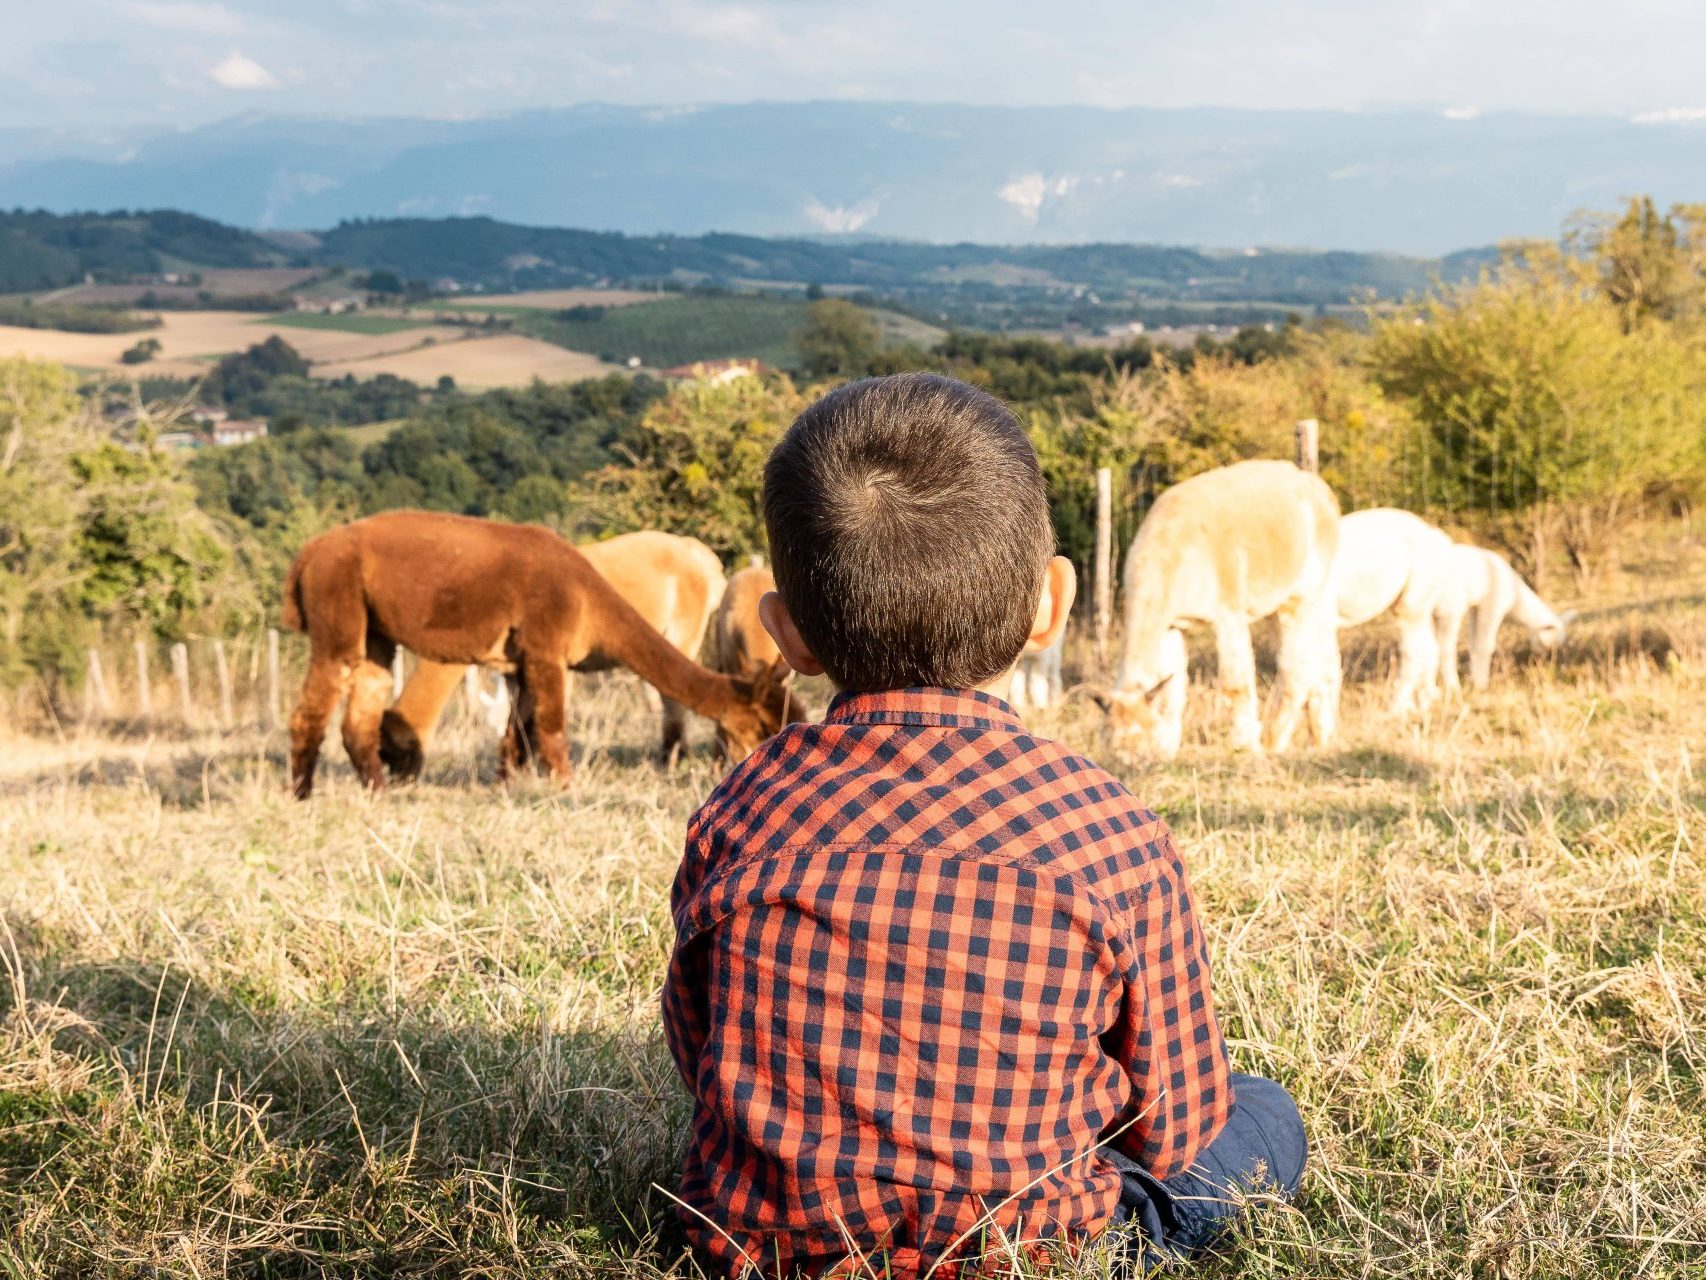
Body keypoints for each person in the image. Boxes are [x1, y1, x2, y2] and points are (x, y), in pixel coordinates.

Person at [662, 373, 1305, 1277]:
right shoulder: (1111, 831)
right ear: (1052, 604)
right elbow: (1175, 1126)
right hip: (1033, 1245)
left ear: (787, 636)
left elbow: (699, 1052)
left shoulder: (739, 810)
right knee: (1264, 1116)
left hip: (761, 1241)